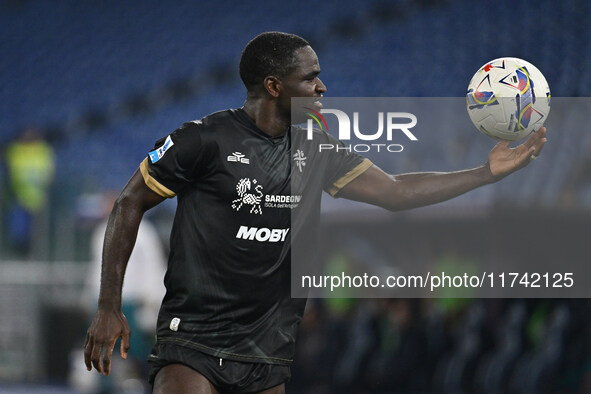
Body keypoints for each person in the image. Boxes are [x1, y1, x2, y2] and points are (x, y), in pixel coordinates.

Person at [84, 32, 547, 394]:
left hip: (265, 356)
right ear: (273, 85)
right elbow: (129, 202)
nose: (321, 86)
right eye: (310, 78)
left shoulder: (318, 149)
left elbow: (396, 192)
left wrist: (485, 172)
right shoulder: (203, 140)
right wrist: (108, 305)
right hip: (192, 344)